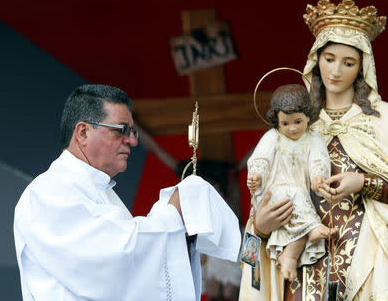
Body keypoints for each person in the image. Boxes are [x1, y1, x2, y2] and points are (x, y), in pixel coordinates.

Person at [248, 0, 388, 301]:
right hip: (300, 270)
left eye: (348, 62)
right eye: (329, 58)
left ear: (362, 67)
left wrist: (364, 183)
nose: (335, 70)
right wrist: (260, 227)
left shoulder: (385, 119)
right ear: (315, 60)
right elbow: (260, 204)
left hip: (370, 264)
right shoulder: (295, 125)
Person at [13, 84, 241, 301]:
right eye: (122, 130)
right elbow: (109, 263)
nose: (132, 141)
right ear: (82, 132)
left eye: (133, 132)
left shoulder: (98, 191)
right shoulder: (49, 192)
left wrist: (182, 234)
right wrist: (173, 214)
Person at [245, 84, 336, 282]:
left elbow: (318, 161)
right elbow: (261, 160)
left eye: (298, 121)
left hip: (300, 196)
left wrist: (318, 177)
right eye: (285, 123)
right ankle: (311, 229)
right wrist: (257, 175)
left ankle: (290, 256)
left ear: (308, 117)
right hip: (274, 193)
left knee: (300, 217)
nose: (292, 128)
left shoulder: (313, 139)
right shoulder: (272, 138)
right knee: (299, 204)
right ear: (276, 122)